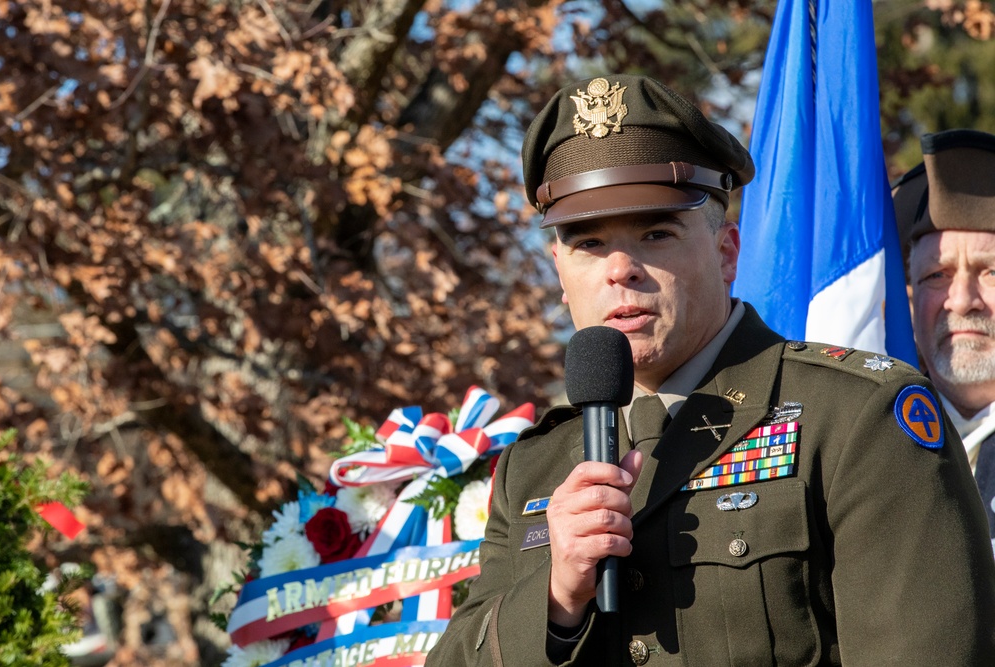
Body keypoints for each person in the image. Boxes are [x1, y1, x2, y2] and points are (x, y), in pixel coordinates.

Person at [425, 75, 995, 666]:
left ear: (727, 253)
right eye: (588, 244)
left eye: (655, 233)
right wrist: (556, 596)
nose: (620, 269)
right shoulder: (533, 467)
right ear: (559, 273)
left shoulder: (855, 418)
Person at [892, 128, 995, 546]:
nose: (963, 300)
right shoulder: (872, 444)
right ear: (910, 300)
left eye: (991, 272)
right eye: (938, 275)